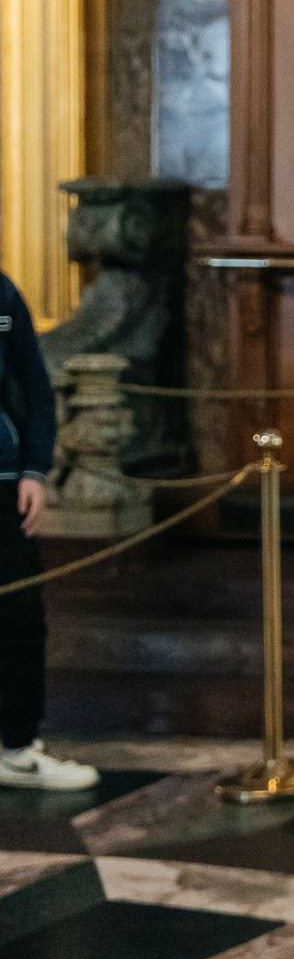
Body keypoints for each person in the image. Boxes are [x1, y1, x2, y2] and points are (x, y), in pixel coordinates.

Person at [0, 273, 99, 791]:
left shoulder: (2, 292)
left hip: (4, 484)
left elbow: (35, 386)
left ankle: (15, 749)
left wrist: (34, 468)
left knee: (19, 616)